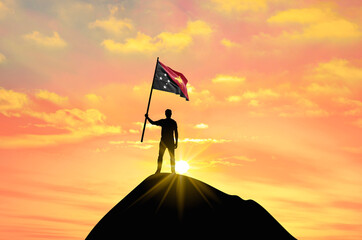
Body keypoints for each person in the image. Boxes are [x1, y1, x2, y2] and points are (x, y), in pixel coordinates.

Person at [145, 109, 178, 174]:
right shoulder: (167, 121)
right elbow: (153, 123)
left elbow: (176, 133)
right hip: (165, 141)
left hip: (167, 141)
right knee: (162, 156)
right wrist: (147, 118)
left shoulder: (171, 122)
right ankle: (159, 170)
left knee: (169, 157)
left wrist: (147, 117)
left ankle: (172, 170)